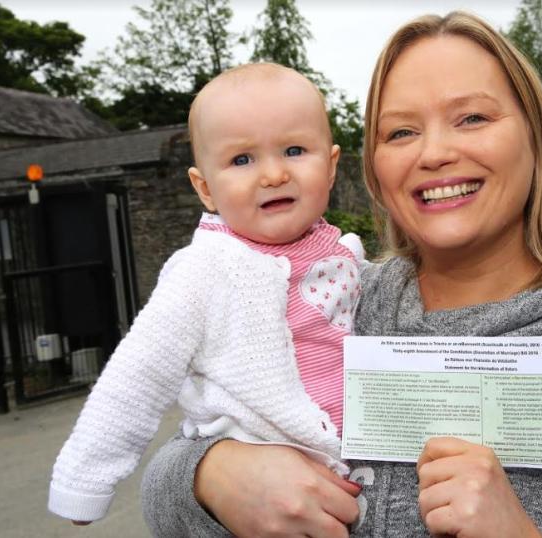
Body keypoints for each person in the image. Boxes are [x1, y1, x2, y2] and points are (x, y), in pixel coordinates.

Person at [141, 12, 542, 538]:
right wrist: (210, 474)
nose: (435, 152)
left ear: (535, 138)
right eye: (401, 131)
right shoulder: (336, 302)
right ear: (374, 167)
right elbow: (177, 463)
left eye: (472, 117)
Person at [48, 63, 366, 524]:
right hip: (252, 492)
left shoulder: (346, 255)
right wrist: (85, 482)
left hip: (342, 479)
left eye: (294, 150)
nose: (274, 174)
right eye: (242, 160)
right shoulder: (203, 271)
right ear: (204, 188)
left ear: (332, 166)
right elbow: (137, 377)